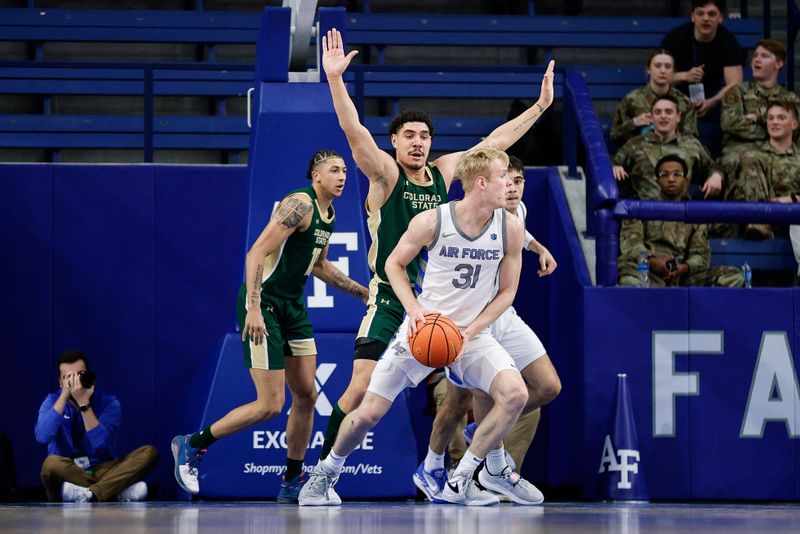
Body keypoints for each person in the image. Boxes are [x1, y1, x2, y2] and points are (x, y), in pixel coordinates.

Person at [316, 28, 555, 462]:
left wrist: (539, 107)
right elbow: (353, 132)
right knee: (360, 388)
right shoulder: (386, 177)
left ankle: (457, 467)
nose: (418, 141)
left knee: (467, 394)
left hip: (441, 304)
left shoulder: (446, 174)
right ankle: (320, 469)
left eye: (424, 135)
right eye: (409, 135)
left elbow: (495, 144)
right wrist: (335, 80)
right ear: (394, 142)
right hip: (392, 298)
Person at [299, 148, 542, 506]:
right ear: (481, 183)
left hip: (470, 335)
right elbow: (394, 265)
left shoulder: (510, 227)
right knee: (367, 413)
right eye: (503, 176)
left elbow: (507, 292)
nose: (510, 183)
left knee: (516, 394)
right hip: (423, 332)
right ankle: (324, 474)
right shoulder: (433, 221)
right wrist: (414, 312)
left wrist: (472, 331)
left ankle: (466, 476)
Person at [171, 150, 369, 503]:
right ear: (315, 176)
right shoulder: (299, 204)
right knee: (271, 404)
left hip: (293, 308)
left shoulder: (329, 213)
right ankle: (192, 444)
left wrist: (361, 292)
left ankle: (292, 480)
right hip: (264, 304)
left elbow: (319, 265)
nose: (342, 176)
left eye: (344, 170)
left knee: (307, 395)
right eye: (334, 170)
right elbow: (256, 253)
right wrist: (253, 307)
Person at [414, 155, 561, 503]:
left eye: (518, 181)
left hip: (502, 314)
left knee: (547, 387)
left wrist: (539, 247)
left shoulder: (517, 212)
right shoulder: (465, 214)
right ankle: (443, 467)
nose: (512, 186)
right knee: (458, 401)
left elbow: (521, 234)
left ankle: (482, 437)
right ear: (488, 183)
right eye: (505, 180)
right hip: (467, 318)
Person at [35, 350, 158, 502]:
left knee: (149, 453)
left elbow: (100, 445)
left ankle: (89, 494)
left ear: (88, 376)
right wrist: (64, 396)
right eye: (68, 377)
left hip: (102, 469)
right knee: (50, 464)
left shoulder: (109, 403)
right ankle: (114, 491)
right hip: (69, 472)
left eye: (80, 375)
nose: (75, 382)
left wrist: (84, 404)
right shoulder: (52, 401)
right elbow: (42, 437)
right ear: (60, 382)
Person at [618, 155, 743, 287]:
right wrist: (652, 261)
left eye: (677, 174)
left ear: (686, 180)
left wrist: (683, 268)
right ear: (657, 181)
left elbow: (700, 254)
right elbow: (631, 244)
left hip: (682, 277)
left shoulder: (696, 214)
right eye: (664, 174)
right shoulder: (642, 208)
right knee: (630, 280)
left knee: (733, 276)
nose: (671, 179)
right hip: (647, 270)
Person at [613, 95, 723, 199]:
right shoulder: (635, 144)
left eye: (669, 112)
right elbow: (612, 164)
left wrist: (716, 176)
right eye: (658, 112)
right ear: (651, 117)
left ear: (678, 117)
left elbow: (713, 167)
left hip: (679, 213)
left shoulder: (692, 145)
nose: (663, 116)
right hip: (644, 213)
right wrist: (614, 168)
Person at [728, 100, 800, 240]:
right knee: (750, 158)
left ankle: (762, 222)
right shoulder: (752, 155)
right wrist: (716, 174)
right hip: (751, 222)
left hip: (791, 221)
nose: (774, 122)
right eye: (770, 118)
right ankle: (760, 222)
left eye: (781, 118)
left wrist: (788, 199)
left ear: (794, 124)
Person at [660, 0, 743, 119]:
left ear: (721, 18)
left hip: (714, 99)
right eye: (700, 13)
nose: (705, 18)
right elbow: (658, 77)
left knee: (735, 104)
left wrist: (712, 102)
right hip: (676, 97)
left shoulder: (729, 42)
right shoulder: (675, 38)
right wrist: (685, 76)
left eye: (711, 14)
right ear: (692, 17)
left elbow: (735, 84)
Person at [720, 39, 798, 157]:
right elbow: (729, 124)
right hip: (742, 152)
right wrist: (776, 131)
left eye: (764, 56)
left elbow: (795, 130)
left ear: (778, 64)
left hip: (779, 153)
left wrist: (757, 117)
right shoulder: (738, 92)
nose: (757, 59)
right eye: (755, 55)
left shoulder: (789, 98)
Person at [610, 49, 698, 146]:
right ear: (648, 70)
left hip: (674, 154)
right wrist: (634, 123)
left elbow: (691, 139)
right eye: (657, 66)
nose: (663, 71)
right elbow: (614, 135)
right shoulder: (632, 100)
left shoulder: (684, 102)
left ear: (673, 71)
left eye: (668, 67)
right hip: (641, 154)